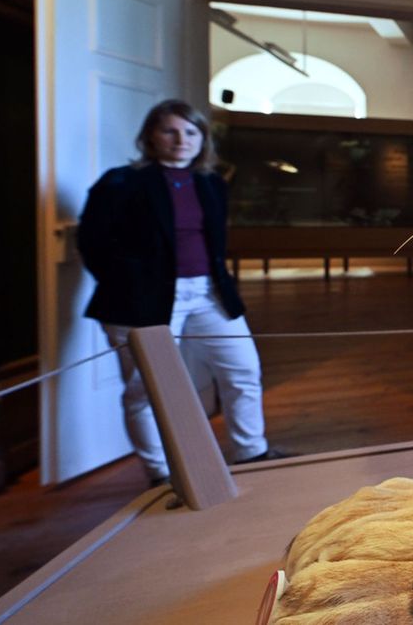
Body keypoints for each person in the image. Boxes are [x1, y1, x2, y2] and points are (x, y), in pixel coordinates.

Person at [77, 99, 283, 485]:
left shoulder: (210, 182)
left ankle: (252, 453)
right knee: (145, 389)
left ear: (202, 139)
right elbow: (92, 242)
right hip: (140, 300)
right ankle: (160, 473)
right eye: (169, 131)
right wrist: (130, 283)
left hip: (208, 294)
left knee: (243, 370)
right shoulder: (120, 182)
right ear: (150, 137)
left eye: (191, 132)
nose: (181, 139)